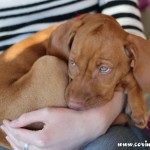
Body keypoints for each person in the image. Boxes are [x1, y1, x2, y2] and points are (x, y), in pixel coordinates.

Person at [0, 0, 149, 150]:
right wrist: (130, 83)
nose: (74, 100)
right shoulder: (65, 45)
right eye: (73, 63)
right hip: (11, 119)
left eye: (103, 69)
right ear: (68, 51)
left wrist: (96, 121)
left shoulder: (107, 45)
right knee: (50, 65)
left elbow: (128, 32)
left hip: (101, 117)